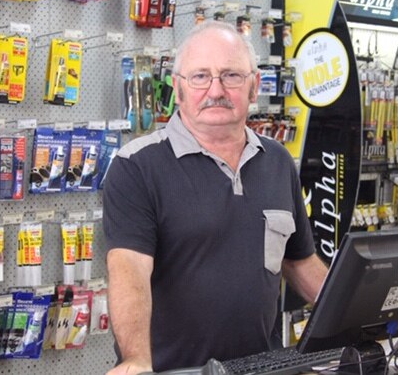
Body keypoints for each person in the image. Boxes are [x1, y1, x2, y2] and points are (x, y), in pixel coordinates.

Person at [103, 20, 328, 375]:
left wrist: (362, 310)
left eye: (231, 76)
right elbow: (129, 270)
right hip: (176, 372)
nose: (216, 89)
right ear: (178, 89)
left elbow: (300, 263)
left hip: (262, 368)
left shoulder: (278, 161)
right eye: (200, 77)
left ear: (254, 86)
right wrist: (136, 360)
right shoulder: (136, 166)